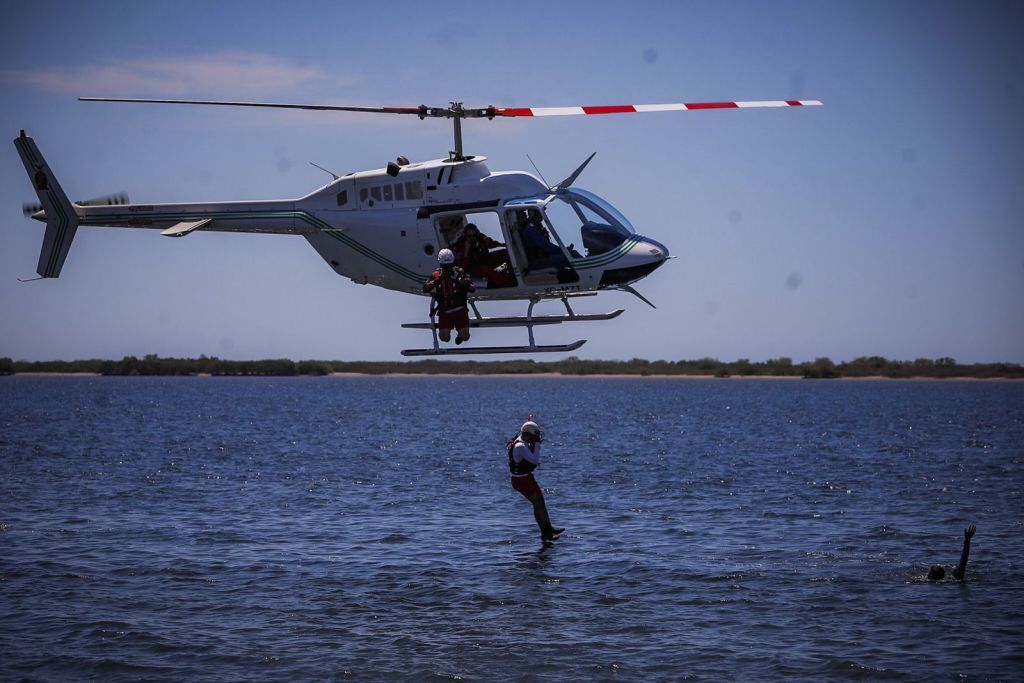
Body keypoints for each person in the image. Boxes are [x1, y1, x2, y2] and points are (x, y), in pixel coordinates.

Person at [508, 418, 564, 542]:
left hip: (527, 477)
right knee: (537, 503)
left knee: (541, 501)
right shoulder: (520, 446)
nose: (536, 438)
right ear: (528, 434)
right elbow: (534, 460)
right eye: (535, 436)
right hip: (520, 480)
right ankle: (545, 534)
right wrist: (537, 445)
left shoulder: (524, 439)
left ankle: (549, 528)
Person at [422, 248, 475, 345]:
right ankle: (448, 334)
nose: (447, 269)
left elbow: (472, 288)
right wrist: (438, 280)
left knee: (465, 336)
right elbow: (425, 288)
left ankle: (460, 336)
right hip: (445, 310)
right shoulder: (436, 275)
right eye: (444, 266)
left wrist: (462, 282)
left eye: (449, 266)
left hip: (460, 309)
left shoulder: (460, 273)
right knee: (444, 337)